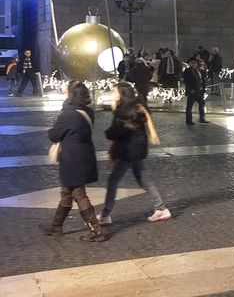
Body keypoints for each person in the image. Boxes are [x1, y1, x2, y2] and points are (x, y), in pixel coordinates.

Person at [40, 81, 105, 241]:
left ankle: (95, 230)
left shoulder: (68, 115)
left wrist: (51, 130)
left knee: (79, 193)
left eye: (66, 92)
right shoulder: (88, 112)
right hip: (85, 155)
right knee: (67, 192)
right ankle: (56, 226)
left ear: (71, 95)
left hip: (72, 159)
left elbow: (54, 135)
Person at [99, 82, 170, 225]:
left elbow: (116, 131)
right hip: (135, 150)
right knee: (143, 179)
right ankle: (161, 208)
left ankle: (105, 214)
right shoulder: (135, 106)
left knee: (113, 181)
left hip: (129, 151)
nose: (113, 94)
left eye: (115, 92)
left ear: (122, 93)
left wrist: (109, 132)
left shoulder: (125, 110)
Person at [182, 57, 207, 125]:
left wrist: (203, 89)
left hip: (199, 91)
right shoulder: (187, 71)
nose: (193, 64)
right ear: (189, 64)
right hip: (192, 91)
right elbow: (186, 81)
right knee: (189, 106)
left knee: (202, 104)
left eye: (194, 63)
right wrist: (190, 89)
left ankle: (202, 118)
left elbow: (202, 80)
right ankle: (188, 120)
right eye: (192, 63)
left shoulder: (199, 70)